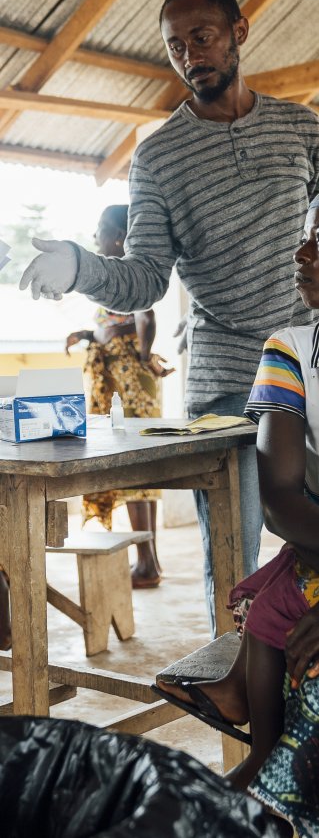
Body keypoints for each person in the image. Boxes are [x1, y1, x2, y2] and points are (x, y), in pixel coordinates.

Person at [19, 0, 319, 636]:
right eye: (175, 47)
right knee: (234, 556)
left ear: (237, 32)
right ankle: (236, 713)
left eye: (202, 38)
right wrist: (80, 266)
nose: (189, 56)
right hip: (223, 382)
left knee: (309, 536)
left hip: (304, 366)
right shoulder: (157, 156)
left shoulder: (301, 129)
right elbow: (145, 279)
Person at [157, 197, 319, 838]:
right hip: (314, 543)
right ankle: (264, 762)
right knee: (277, 597)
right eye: (306, 238)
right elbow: (280, 496)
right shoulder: (294, 350)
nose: (302, 255)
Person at [66, 204, 174, 589]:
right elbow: (116, 328)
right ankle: (148, 561)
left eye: (100, 230)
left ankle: (147, 563)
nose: (94, 238)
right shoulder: (117, 282)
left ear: (118, 238)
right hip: (124, 377)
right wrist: (87, 335)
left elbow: (146, 318)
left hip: (130, 381)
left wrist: (144, 358)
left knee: (137, 468)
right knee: (135, 469)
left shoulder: (132, 278)